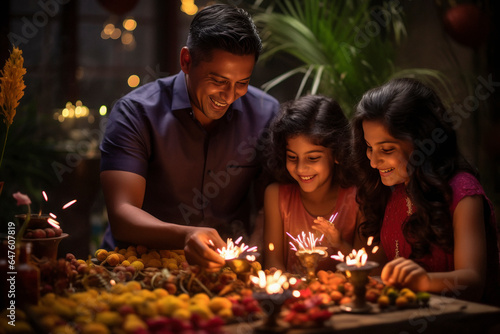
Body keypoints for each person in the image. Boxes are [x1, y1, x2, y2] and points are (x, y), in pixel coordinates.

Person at [99, 3, 280, 270]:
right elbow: (122, 214)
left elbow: (271, 202)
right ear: (186, 61)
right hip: (136, 267)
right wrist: (186, 235)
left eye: (242, 83)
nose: (229, 97)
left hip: (223, 269)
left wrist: (255, 258)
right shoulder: (136, 113)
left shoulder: (265, 114)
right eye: (218, 81)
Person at [351, 77, 500, 303]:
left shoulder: (462, 191)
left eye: (387, 149)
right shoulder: (394, 190)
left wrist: (423, 281)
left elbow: (473, 282)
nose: (373, 162)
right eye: (369, 148)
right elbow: (378, 270)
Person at [263, 95, 375, 274]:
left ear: (338, 153)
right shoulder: (276, 195)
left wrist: (339, 243)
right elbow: (273, 261)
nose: (301, 168)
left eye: (313, 158)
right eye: (292, 157)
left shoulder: (358, 198)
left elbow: (365, 268)